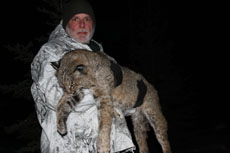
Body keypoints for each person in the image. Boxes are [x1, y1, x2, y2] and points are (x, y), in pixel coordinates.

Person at [30, 0, 135, 153]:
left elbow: (122, 104)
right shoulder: (51, 52)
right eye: (75, 19)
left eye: (87, 19)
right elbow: (55, 97)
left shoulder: (102, 55)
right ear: (66, 23)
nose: (82, 25)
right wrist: (104, 88)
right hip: (70, 146)